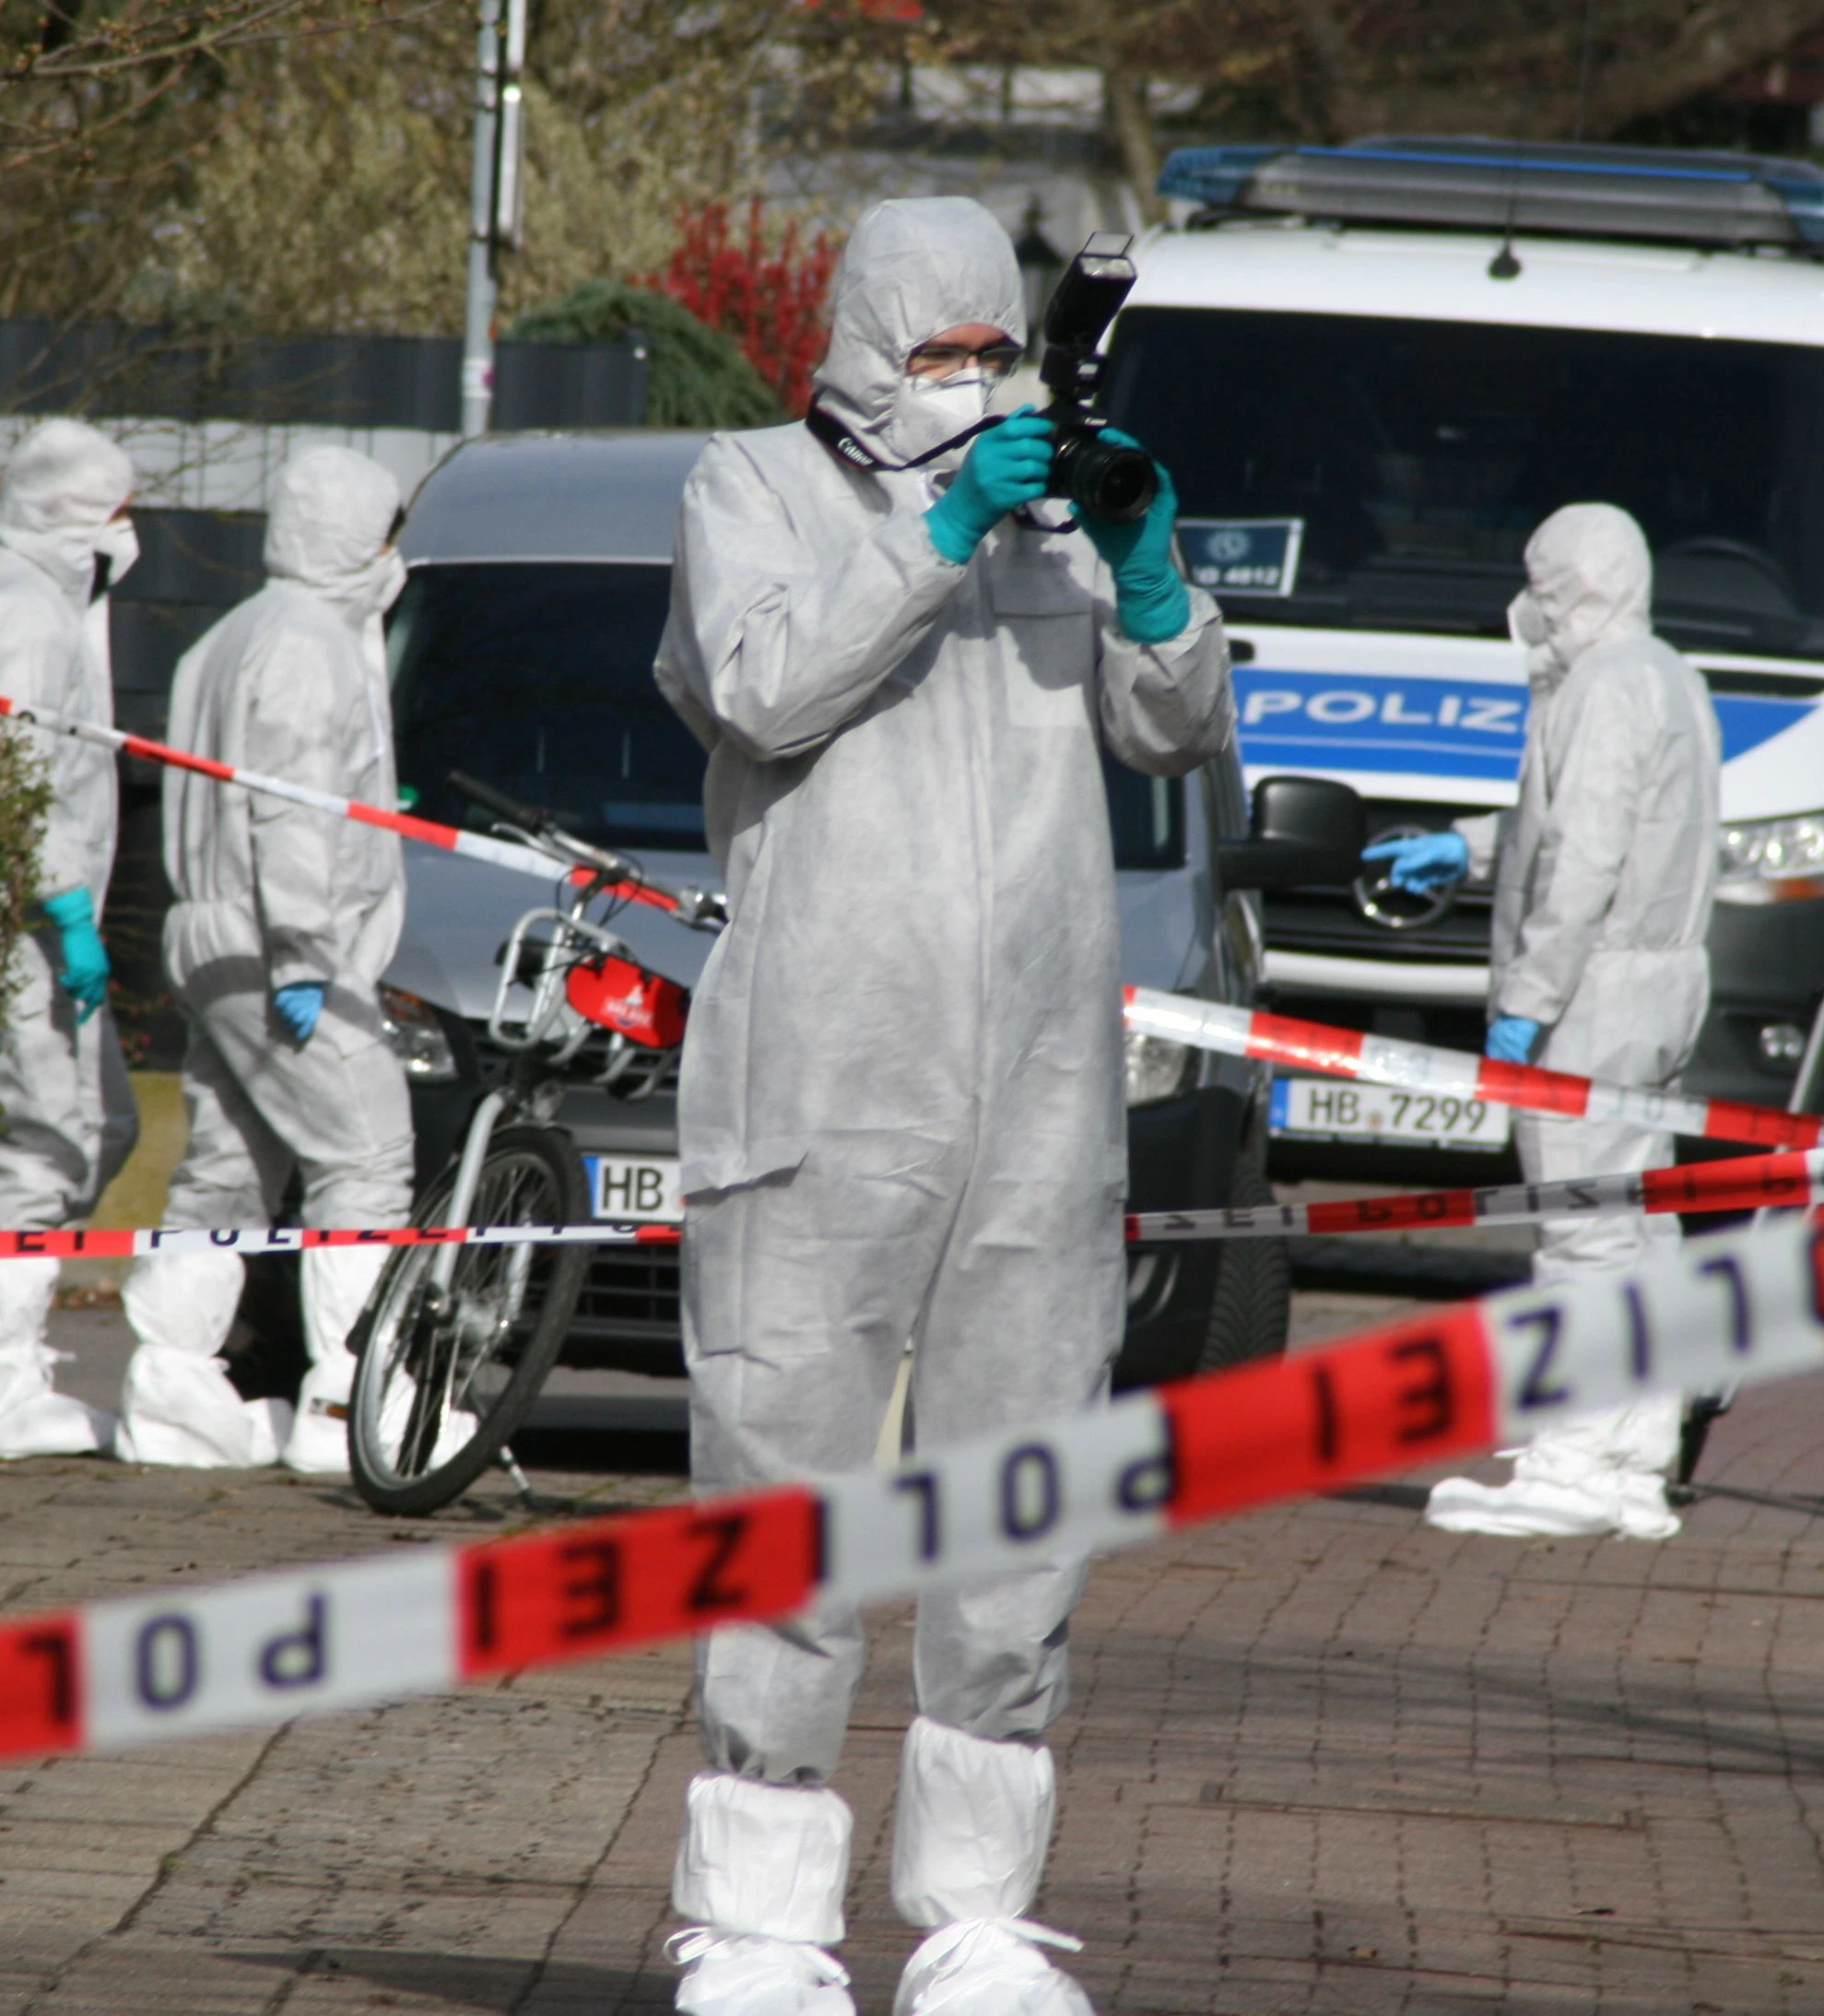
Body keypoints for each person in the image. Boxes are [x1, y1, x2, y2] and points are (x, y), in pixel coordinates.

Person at [651, 196, 1233, 2016]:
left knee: (1018, 1491)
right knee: (785, 1476)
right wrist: (935, 528)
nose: (969, 381)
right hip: (823, 1075)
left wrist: (1144, 564)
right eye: (936, 350)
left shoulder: (1052, 527)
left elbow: (1177, 724)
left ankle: (978, 1913)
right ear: (858, 343)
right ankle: (754, 1918)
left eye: (995, 348)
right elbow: (759, 688)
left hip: (1043, 1090)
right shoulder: (752, 488)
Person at [1366, 503, 1722, 1541]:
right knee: (1639, 1226)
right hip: (1659, 987)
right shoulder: (1667, 675)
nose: (1529, 608)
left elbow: (1584, 860)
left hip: (1595, 995)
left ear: (1567, 587)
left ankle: (1567, 1459)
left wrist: (1526, 1004)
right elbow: (1565, 826)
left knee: (1580, 1235)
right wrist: (1468, 848)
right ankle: (1633, 1461)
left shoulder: (1603, 689)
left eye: (1540, 584)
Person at [113, 446, 419, 1475]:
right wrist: (303, 952)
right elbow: (290, 812)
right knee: (367, 1153)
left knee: (231, 1166)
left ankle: (171, 1388)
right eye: (384, 534)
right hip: (278, 939)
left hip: (211, 933)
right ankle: (351, 1402)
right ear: (348, 537)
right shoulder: (309, 647)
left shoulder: (225, 638)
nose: (393, 556)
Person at [0, 419, 146, 1460]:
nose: (129, 535)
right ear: (75, 514)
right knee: (42, 1138)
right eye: (118, 513)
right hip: (23, 925)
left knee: (94, 1125)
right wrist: (66, 908)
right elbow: (15, 771)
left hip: (9, 917)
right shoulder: (23, 613)